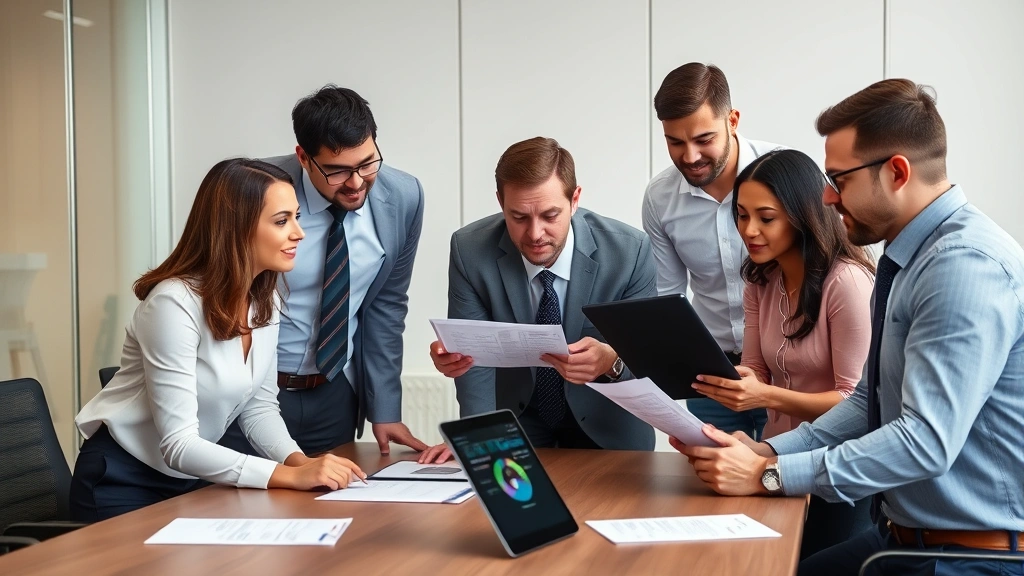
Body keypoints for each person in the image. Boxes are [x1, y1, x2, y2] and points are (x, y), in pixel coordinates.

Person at [673, 79, 1024, 576]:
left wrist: (771, 474)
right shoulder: (908, 259)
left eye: (839, 180)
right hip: (906, 539)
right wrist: (768, 449)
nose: (827, 197)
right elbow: (868, 400)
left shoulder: (961, 266)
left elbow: (924, 442)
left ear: (897, 172)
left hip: (971, 557)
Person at [71, 159, 366, 521]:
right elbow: (178, 444)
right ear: (237, 229)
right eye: (281, 221)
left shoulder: (264, 297)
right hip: (122, 482)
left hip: (191, 477)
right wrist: (286, 476)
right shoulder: (173, 304)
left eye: (297, 217)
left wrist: (300, 462)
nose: (298, 233)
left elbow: (258, 408)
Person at [219, 85, 428, 457]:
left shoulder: (404, 196)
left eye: (367, 163)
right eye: (337, 171)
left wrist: (385, 409)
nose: (356, 182)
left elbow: (387, 305)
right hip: (247, 391)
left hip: (335, 394)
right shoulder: (254, 191)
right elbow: (221, 289)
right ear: (303, 157)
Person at [419, 137, 657, 463]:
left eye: (550, 215)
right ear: (500, 202)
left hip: (610, 432)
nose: (534, 234)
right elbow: (474, 362)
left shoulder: (630, 252)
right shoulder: (469, 251)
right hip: (516, 428)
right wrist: (476, 437)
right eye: (518, 217)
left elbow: (648, 362)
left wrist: (610, 362)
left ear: (575, 200)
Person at [691, 148, 875, 559]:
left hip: (836, 472)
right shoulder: (760, 279)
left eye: (766, 218)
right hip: (775, 456)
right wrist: (729, 380)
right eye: (741, 215)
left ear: (802, 215)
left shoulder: (847, 283)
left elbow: (855, 403)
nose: (749, 230)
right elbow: (756, 368)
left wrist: (765, 396)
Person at [642, 62, 782, 437]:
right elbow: (667, 297)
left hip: (786, 370)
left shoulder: (785, 174)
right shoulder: (660, 198)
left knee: (785, 481)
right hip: (709, 372)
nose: (689, 156)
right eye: (675, 142)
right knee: (712, 485)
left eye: (704, 139)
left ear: (733, 120)